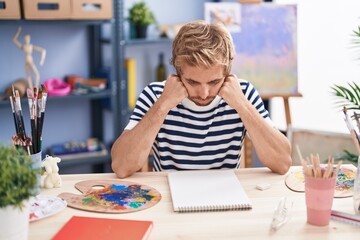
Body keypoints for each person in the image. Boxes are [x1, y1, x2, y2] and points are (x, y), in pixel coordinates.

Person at [111, 20, 292, 178]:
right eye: (192, 82)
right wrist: (163, 105)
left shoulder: (242, 93)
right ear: (177, 71)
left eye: (214, 82)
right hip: (169, 200)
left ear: (228, 73)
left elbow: (282, 163)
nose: (204, 93)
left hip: (226, 199)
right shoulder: (155, 95)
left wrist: (242, 106)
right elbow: (121, 167)